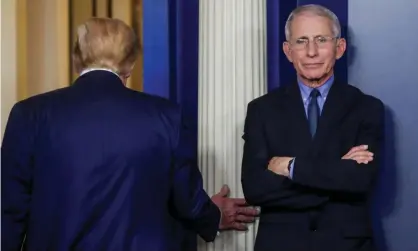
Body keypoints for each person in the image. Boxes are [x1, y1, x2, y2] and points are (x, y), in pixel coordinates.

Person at [1, 17, 258, 251]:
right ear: (131, 64)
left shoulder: (29, 115)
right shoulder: (166, 116)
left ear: (76, 59)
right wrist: (213, 216)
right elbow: (187, 202)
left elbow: (8, 211)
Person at [241, 4, 384, 251]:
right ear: (288, 51)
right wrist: (336, 173)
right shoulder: (261, 110)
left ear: (339, 48)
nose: (311, 52)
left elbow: (359, 180)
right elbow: (256, 189)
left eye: (321, 40)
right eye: (301, 41)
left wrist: (289, 166)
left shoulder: (366, 108)